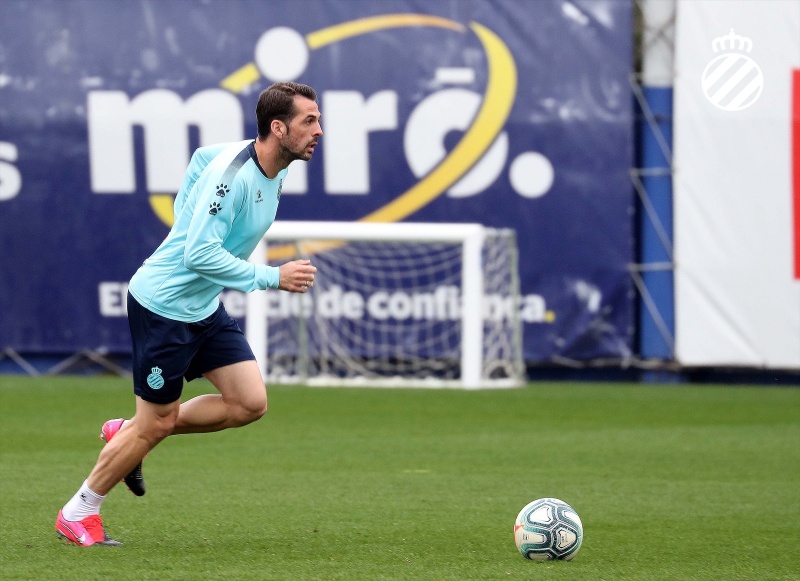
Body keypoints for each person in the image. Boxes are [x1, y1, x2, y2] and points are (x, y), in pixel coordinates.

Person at [55, 81, 322, 546]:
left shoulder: (270, 163)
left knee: (249, 403)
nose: (318, 130)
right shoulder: (235, 177)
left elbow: (199, 157)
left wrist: (187, 215)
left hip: (201, 307)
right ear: (278, 128)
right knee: (156, 423)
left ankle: (127, 432)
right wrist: (271, 277)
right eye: (309, 121)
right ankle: (78, 511)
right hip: (163, 308)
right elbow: (198, 254)